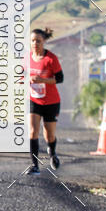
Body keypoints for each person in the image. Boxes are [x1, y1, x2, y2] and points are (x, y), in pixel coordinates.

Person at [28, 27, 63, 175]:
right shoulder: (27, 58)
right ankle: (34, 165)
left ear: (44, 42)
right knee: (33, 132)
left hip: (51, 102)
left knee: (49, 135)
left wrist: (42, 80)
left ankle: (52, 152)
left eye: (38, 41)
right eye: (33, 41)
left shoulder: (51, 59)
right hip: (34, 100)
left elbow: (60, 79)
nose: (35, 43)